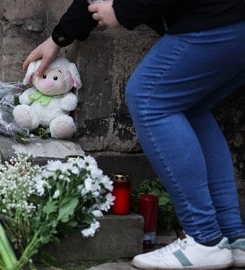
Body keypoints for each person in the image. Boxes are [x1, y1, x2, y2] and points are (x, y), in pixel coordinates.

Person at [23, 0, 245, 269]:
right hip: (232, 21)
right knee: (192, 107)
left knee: (148, 98)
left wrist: (123, 10)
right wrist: (58, 38)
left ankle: (204, 238)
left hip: (218, 19)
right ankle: (233, 237)